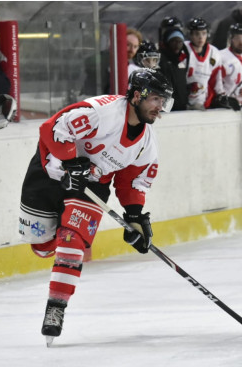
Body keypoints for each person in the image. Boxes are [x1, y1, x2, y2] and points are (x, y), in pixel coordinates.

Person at [18, 68, 173, 342]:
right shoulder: (101, 113)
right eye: (156, 100)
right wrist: (68, 162)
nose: (160, 108)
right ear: (137, 96)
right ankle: (59, 240)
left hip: (91, 187)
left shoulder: (146, 144)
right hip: (49, 172)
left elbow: (131, 182)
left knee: (72, 240)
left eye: (164, 101)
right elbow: (51, 129)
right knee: (41, 246)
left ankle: (55, 308)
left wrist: (135, 216)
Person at [183, 17, 224, 110]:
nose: (201, 37)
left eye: (204, 33)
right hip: (184, 103)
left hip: (204, 103)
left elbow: (216, 80)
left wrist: (221, 96)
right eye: (197, 34)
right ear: (190, 35)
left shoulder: (214, 53)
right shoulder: (183, 49)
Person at [218, 23, 242, 109]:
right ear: (231, 39)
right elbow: (215, 83)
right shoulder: (222, 57)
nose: (241, 42)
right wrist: (222, 99)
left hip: (239, 106)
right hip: (224, 108)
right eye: (237, 38)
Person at [158, 27, 189, 111]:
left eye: (180, 42)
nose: (177, 44)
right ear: (167, 42)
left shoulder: (182, 60)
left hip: (181, 107)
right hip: (165, 109)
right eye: (173, 41)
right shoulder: (160, 60)